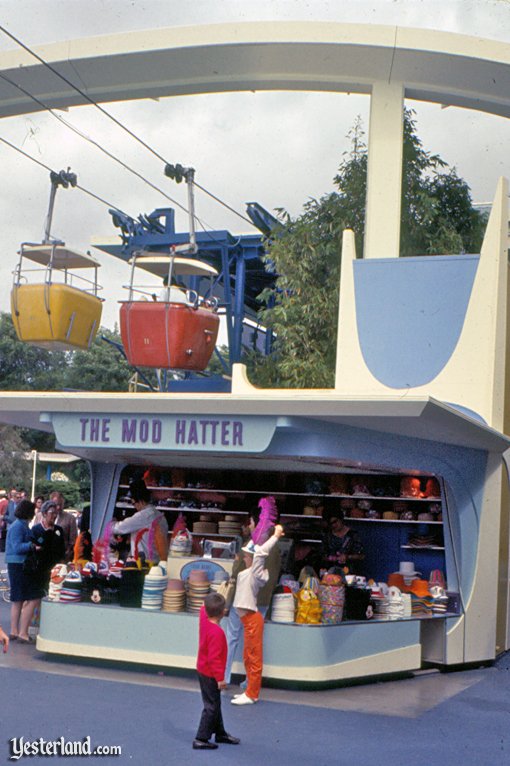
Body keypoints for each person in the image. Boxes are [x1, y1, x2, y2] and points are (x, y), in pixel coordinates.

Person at [224, 507, 281, 687]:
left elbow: (237, 574)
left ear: (256, 523)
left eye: (250, 521)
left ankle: (224, 677)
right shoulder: (276, 548)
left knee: (232, 638)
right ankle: (250, 681)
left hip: (242, 600)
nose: (248, 525)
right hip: (262, 602)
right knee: (254, 644)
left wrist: (228, 602)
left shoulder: (250, 545)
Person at [193, 592, 240, 750]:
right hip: (210, 674)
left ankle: (220, 732)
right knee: (211, 706)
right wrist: (220, 679)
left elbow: (202, 610)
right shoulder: (217, 633)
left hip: (203, 671)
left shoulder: (204, 622)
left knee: (215, 703)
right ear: (223, 612)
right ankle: (201, 737)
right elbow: (214, 660)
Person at [5, 499, 41, 642]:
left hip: (15, 564)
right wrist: (32, 546)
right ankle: (22, 632)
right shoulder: (19, 527)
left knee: (17, 598)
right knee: (30, 597)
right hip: (19, 564)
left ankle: (14, 631)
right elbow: (17, 547)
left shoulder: (18, 525)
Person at [110, 479, 168, 562]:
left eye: (133, 503)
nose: (134, 507)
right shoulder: (160, 516)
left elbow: (118, 528)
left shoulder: (142, 516)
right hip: (158, 560)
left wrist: (110, 521)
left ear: (140, 501)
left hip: (145, 562)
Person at [31, 500, 66, 593]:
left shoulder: (59, 530)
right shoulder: (36, 529)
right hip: (40, 568)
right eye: (52, 513)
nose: (54, 516)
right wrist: (46, 535)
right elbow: (35, 546)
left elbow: (62, 548)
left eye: (56, 513)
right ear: (44, 513)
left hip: (55, 568)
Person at [323, 510, 365, 575]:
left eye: (335, 521)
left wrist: (347, 557)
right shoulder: (327, 536)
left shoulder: (353, 534)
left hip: (350, 574)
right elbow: (322, 554)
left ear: (341, 519)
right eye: (331, 523)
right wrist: (330, 558)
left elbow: (361, 556)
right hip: (330, 575)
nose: (334, 525)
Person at [50, 491, 77, 561]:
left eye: (61, 505)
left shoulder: (70, 518)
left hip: (62, 557)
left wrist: (68, 553)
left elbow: (73, 540)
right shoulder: (41, 516)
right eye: (56, 505)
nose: (58, 507)